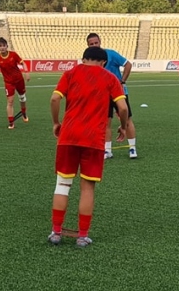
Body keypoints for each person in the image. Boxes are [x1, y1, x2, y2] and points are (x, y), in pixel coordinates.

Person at [48, 46, 129, 247]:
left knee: (62, 184)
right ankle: (82, 236)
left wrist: (56, 122)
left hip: (68, 136)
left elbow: (54, 98)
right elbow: (123, 107)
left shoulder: (70, 73)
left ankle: (56, 232)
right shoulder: (110, 78)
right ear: (103, 62)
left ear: (83, 59)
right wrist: (123, 127)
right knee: (87, 188)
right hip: (93, 139)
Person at [86, 33, 138, 159]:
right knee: (106, 122)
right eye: (91, 44)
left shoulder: (111, 54)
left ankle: (132, 148)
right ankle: (107, 150)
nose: (94, 45)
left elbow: (128, 64)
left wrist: (122, 81)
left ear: (100, 42)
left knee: (127, 119)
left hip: (119, 92)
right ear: (88, 46)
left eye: (96, 43)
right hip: (102, 94)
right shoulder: (89, 59)